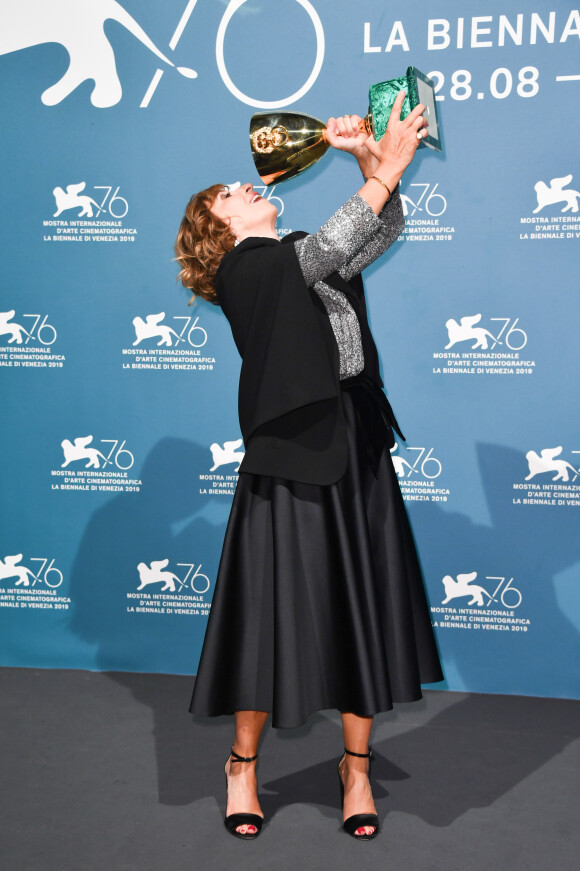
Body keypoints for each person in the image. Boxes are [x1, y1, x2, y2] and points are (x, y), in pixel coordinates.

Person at [175, 91, 443, 841]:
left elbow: (374, 235)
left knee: (361, 613)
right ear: (219, 227)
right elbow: (327, 247)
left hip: (353, 443)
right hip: (291, 460)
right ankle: (241, 766)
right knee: (268, 623)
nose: (247, 185)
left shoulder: (293, 249)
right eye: (230, 192)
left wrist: (370, 164)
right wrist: (384, 166)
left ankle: (355, 769)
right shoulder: (246, 271)